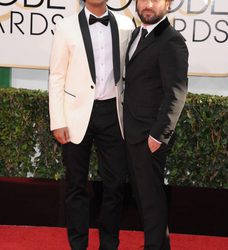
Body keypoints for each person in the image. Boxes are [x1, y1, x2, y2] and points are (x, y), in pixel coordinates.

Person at [48, 0, 134, 249]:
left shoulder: (127, 25)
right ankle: (78, 245)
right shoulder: (66, 27)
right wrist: (58, 120)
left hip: (113, 113)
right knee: (76, 185)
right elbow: (56, 76)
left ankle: (109, 244)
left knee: (116, 184)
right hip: (75, 115)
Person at [123, 0, 189, 249]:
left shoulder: (171, 40)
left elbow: (177, 93)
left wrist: (157, 136)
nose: (148, 5)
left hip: (149, 136)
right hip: (132, 132)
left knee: (150, 202)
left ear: (168, 4)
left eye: (156, 0)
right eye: (143, 0)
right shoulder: (137, 33)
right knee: (145, 198)